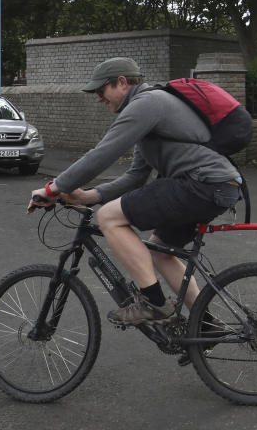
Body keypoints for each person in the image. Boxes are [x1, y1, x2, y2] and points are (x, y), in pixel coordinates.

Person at [29, 57, 242, 327]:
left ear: (121, 82)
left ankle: (153, 303)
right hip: (215, 185)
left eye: (100, 90)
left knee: (109, 217)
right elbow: (136, 176)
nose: (98, 99)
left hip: (202, 184)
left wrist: (53, 187)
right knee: (162, 250)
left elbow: (102, 154)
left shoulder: (146, 104)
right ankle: (207, 324)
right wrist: (87, 196)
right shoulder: (149, 112)